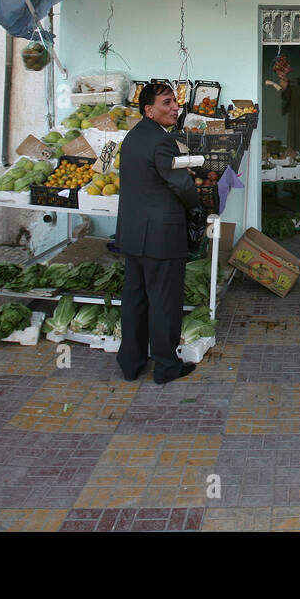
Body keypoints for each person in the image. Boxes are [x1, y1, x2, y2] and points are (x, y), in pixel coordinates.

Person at [115, 81, 201, 384]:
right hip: (161, 238)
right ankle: (165, 367)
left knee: (135, 300)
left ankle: (131, 363)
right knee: (164, 302)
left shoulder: (133, 137)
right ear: (148, 109)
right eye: (166, 103)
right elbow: (180, 185)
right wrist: (196, 204)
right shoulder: (161, 141)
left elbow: (149, 176)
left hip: (133, 235)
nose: (174, 107)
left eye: (174, 102)